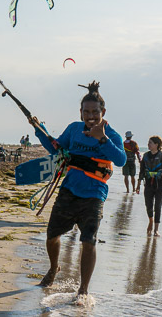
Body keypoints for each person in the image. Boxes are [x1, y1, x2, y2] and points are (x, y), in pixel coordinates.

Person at [30, 81, 126, 298]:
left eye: (95, 112)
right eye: (86, 112)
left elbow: (120, 160)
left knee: (88, 240)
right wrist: (39, 130)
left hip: (94, 195)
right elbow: (57, 148)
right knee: (52, 235)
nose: (90, 116)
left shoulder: (112, 135)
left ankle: (83, 290)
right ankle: (54, 268)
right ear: (80, 112)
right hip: (69, 191)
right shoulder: (74, 129)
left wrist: (102, 138)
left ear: (103, 112)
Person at [136, 136, 162, 237]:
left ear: (156, 145)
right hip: (148, 184)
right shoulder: (145, 156)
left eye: (150, 143)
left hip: (160, 185)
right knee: (148, 205)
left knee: (158, 206)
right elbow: (142, 171)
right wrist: (138, 184)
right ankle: (150, 221)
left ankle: (156, 229)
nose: (148, 144)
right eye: (148, 143)